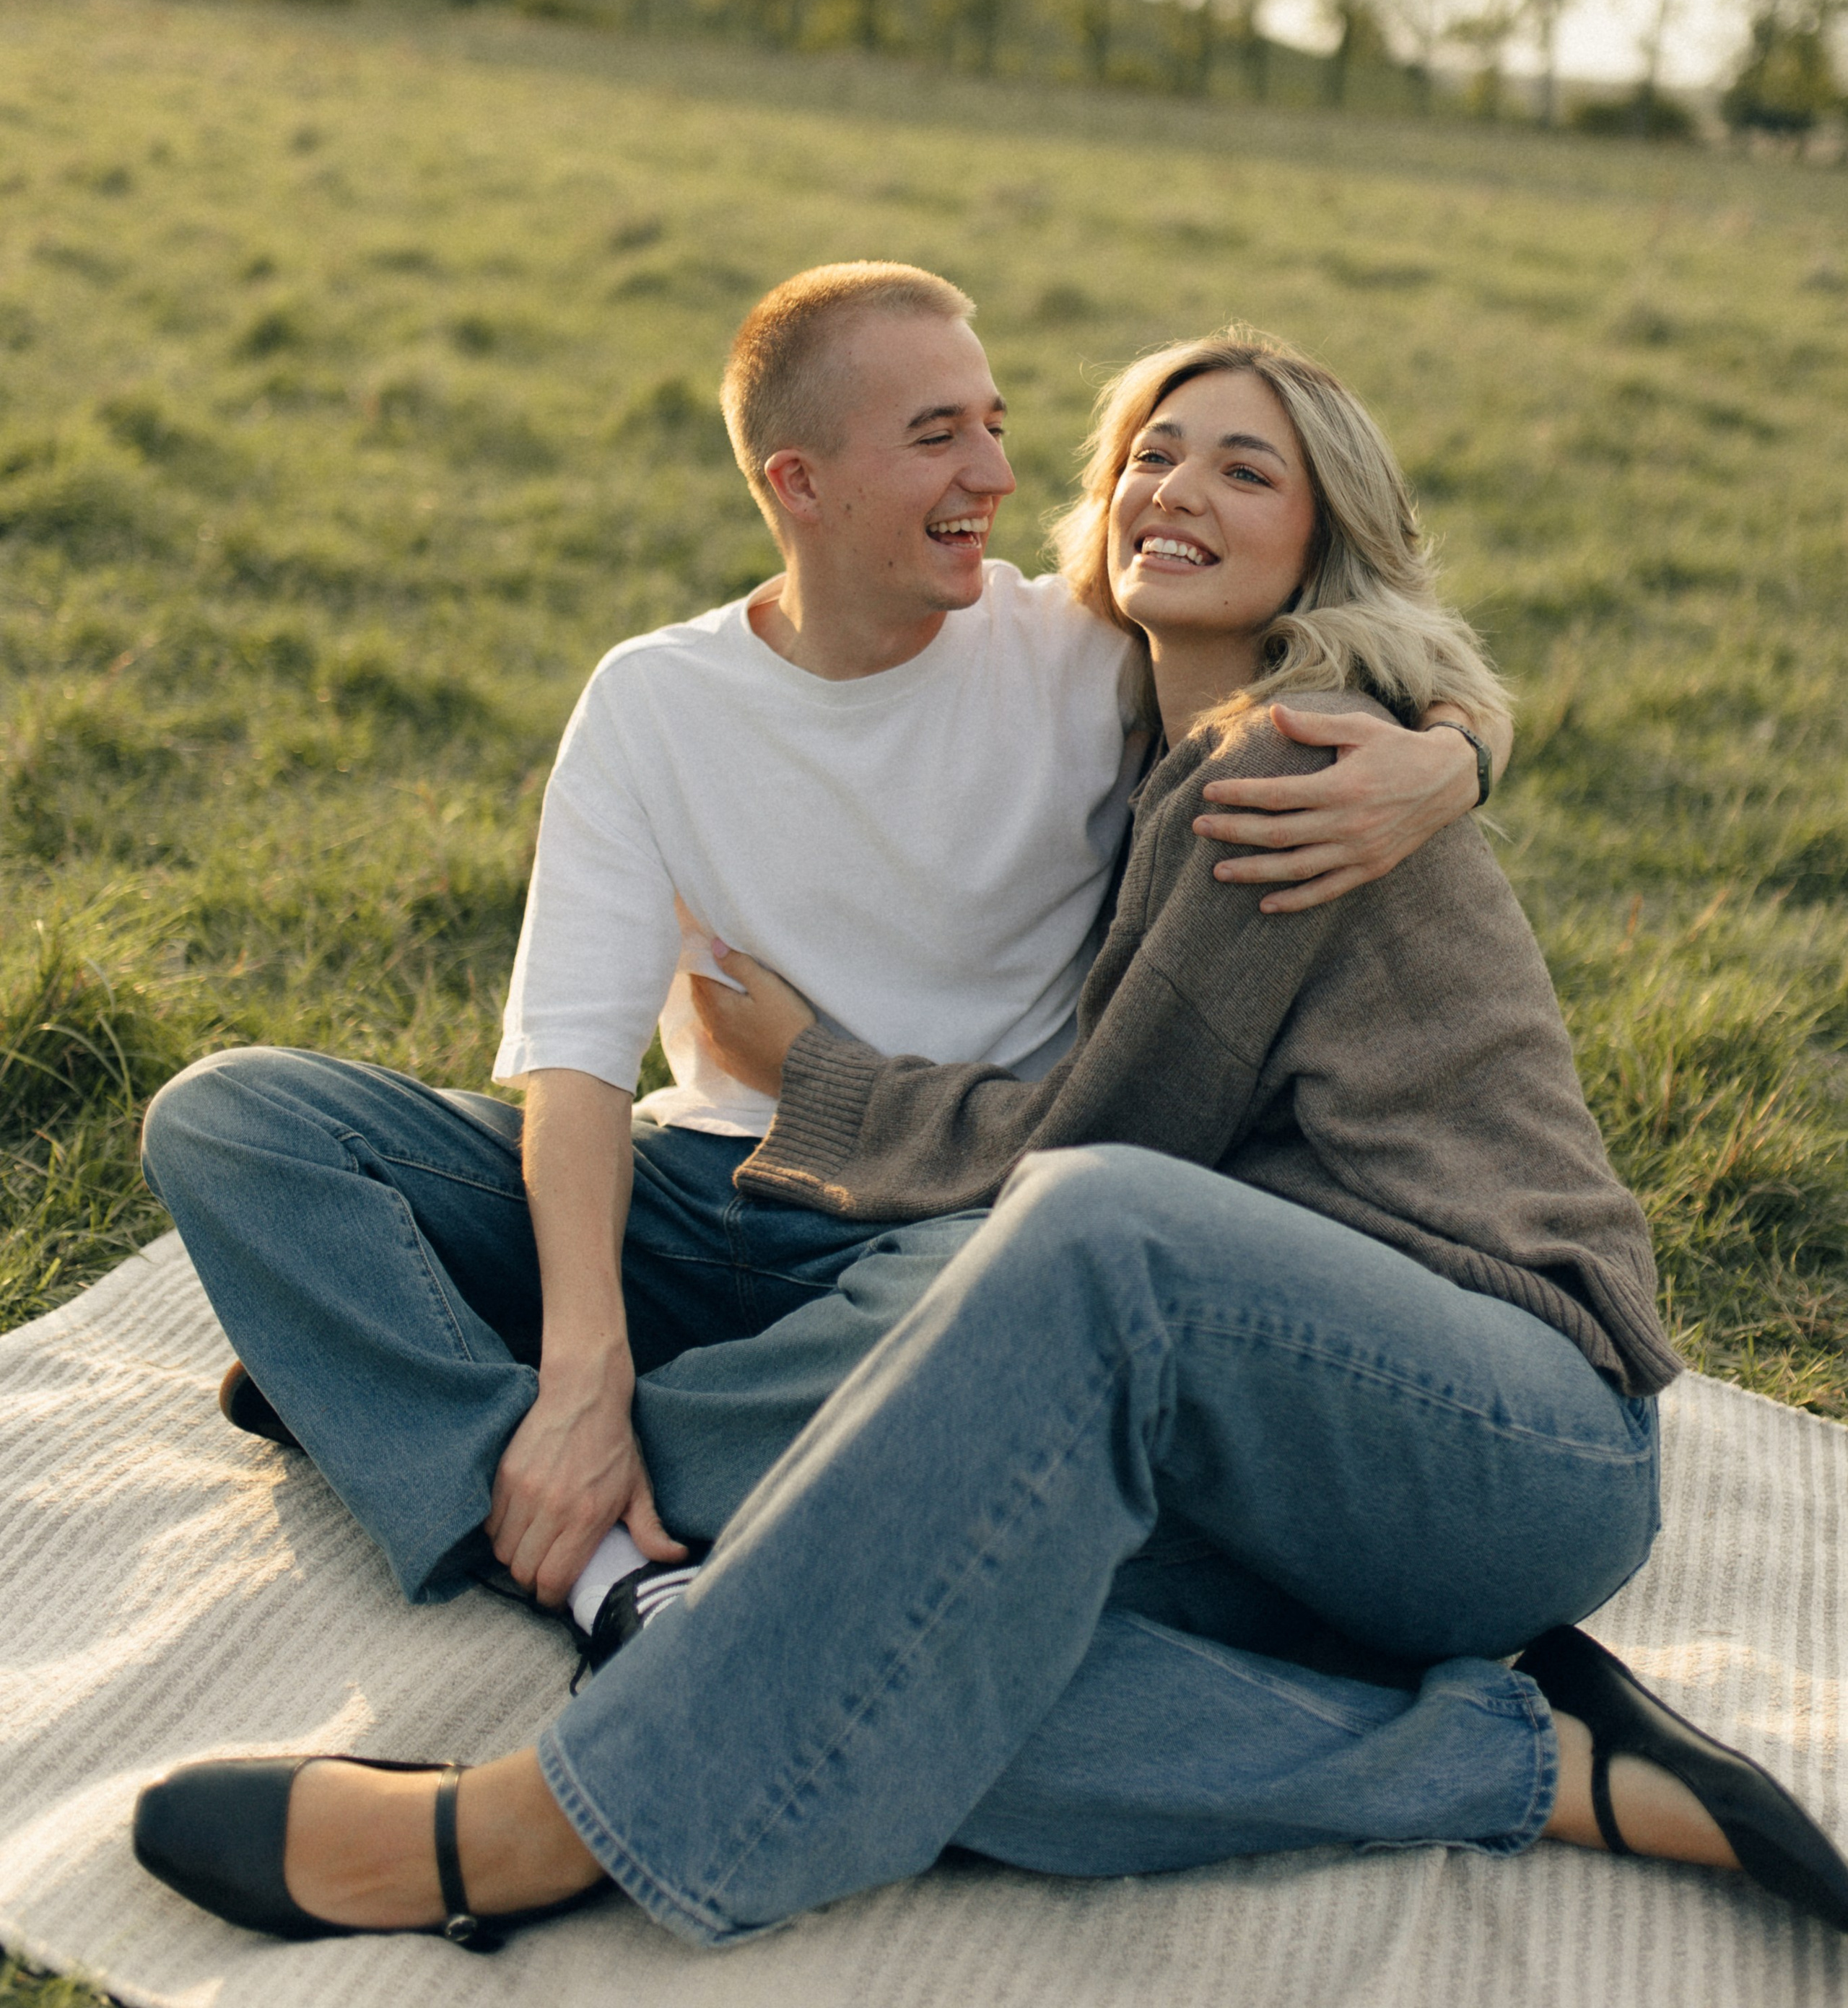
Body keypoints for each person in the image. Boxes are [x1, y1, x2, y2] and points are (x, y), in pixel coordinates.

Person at [135, 327, 1848, 1950]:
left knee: (1075, 1247)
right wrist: (1466, 739)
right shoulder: (1142, 712)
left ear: (1328, 541)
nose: (1175, 490)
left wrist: (817, 1077)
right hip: (1279, 1440)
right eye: (1151, 457)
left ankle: (541, 1814)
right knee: (906, 1650)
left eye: (1244, 473)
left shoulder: (1284, 762)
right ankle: (1532, 1764)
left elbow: (1103, 1156)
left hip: (1504, 1436)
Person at [140, 263, 1502, 1659]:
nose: (997, 470)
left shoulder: (1089, 652)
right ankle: (592, 1484)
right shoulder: (655, 701)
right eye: (937, 436)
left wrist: (1459, 755)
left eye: (994, 420)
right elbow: (574, 1065)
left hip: (946, 1233)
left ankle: (506, 1469)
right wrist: (585, 1357)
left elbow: (1359, 637)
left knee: (997, 1313)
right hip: (695, 1192)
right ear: (799, 480)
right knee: (235, 1120)